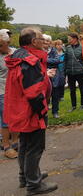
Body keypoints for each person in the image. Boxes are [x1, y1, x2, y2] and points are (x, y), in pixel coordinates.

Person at [4, 27, 58, 195]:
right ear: (34, 42)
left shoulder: (19, 56)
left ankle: (26, 177)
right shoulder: (30, 61)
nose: (45, 42)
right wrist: (42, 111)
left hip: (20, 109)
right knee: (35, 147)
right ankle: (34, 185)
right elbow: (34, 92)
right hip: (30, 112)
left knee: (25, 145)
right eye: (42, 39)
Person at [0, 31, 19, 159]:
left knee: (17, 117)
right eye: (2, 45)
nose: (5, 46)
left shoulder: (14, 52)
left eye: (6, 43)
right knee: (6, 119)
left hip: (15, 90)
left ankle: (15, 142)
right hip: (2, 91)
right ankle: (6, 146)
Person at [64, 32, 83, 112]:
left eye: (69, 39)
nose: (68, 40)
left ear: (75, 39)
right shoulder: (67, 48)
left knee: (82, 89)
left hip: (81, 72)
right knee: (72, 90)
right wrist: (65, 72)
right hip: (70, 73)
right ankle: (73, 106)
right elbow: (65, 60)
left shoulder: (82, 47)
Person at [43, 35, 63, 119]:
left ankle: (55, 112)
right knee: (45, 94)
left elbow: (57, 60)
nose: (46, 42)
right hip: (43, 75)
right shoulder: (39, 51)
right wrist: (51, 62)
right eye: (44, 40)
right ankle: (45, 111)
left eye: (48, 41)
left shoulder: (53, 50)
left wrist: (45, 60)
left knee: (55, 94)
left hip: (54, 75)